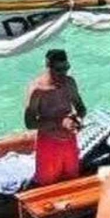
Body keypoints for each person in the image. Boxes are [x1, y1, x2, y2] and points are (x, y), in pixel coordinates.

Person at [24, 48, 87, 186]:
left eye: (66, 68)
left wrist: (77, 119)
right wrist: (60, 122)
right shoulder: (37, 90)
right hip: (49, 143)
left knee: (72, 180)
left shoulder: (70, 83)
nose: (63, 73)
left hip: (69, 140)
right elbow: (29, 123)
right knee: (48, 184)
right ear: (48, 66)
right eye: (59, 69)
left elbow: (81, 108)